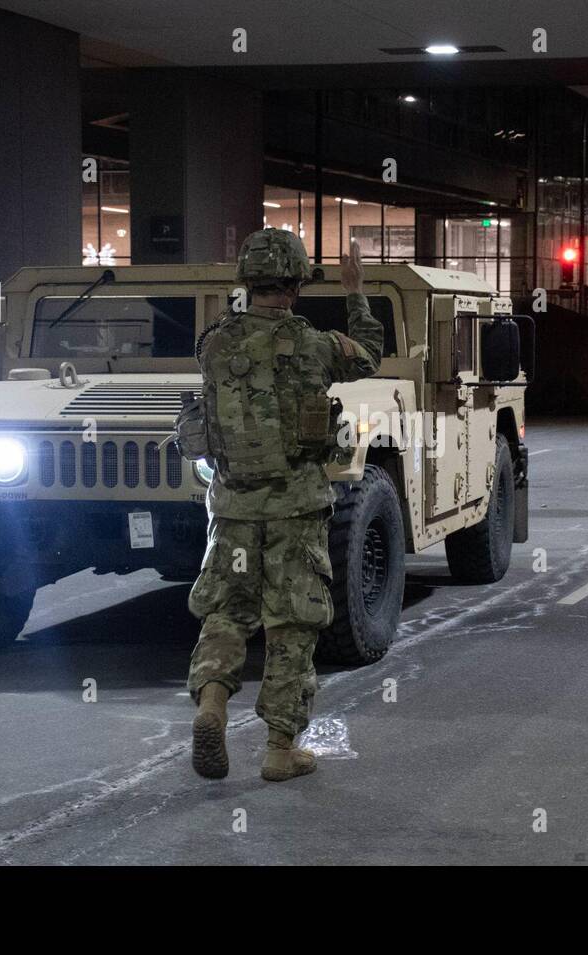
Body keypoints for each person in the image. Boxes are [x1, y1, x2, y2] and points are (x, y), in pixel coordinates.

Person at [184, 229, 382, 782]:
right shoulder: (317, 345)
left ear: (247, 280)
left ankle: (212, 706)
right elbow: (369, 357)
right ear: (296, 284)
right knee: (292, 622)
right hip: (296, 507)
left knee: (226, 611)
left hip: (231, 509)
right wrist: (355, 291)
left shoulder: (215, 345)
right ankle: (278, 749)